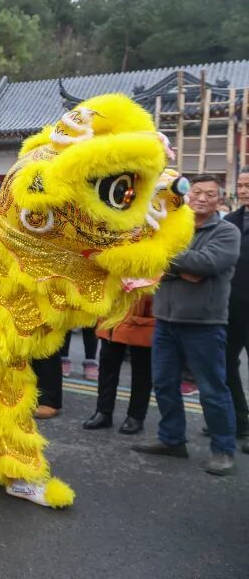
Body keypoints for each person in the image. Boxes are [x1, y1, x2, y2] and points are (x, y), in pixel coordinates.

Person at [133, 175, 240, 475]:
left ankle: (223, 449)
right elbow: (154, 267)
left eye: (210, 194)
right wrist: (181, 268)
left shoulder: (226, 231)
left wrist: (167, 258)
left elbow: (204, 265)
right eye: (196, 192)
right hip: (166, 321)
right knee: (165, 383)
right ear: (187, 195)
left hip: (204, 324)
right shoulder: (175, 227)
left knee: (212, 389)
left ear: (219, 200)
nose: (201, 198)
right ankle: (171, 439)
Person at [82, 297, 154, 434]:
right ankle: (103, 411)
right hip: (115, 309)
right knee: (107, 364)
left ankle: (136, 416)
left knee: (142, 367)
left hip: (142, 305)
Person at [222, 171, 249, 447]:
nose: (243, 190)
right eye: (240, 185)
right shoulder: (229, 222)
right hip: (230, 309)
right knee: (226, 367)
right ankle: (238, 422)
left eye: (247, 185)